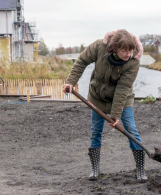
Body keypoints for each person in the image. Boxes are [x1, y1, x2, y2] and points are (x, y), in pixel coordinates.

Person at [62, 29, 147, 182]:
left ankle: (140, 169)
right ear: (114, 47)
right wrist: (70, 81)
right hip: (98, 97)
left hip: (123, 98)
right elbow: (81, 61)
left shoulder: (133, 61)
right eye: (124, 51)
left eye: (131, 51)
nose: (128, 54)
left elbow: (122, 89)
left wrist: (115, 115)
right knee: (96, 130)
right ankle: (95, 169)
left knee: (131, 130)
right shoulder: (98, 47)